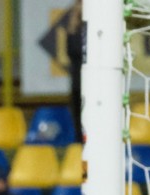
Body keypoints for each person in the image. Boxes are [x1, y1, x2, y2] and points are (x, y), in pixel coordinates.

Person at [65, 0, 83, 143]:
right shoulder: (73, 30)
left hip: (95, 82)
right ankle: (79, 142)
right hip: (77, 81)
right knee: (78, 114)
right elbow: (72, 52)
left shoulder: (99, 29)